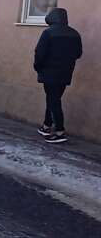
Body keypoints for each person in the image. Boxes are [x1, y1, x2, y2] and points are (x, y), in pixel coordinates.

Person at [34, 8, 82, 144]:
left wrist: (37, 67)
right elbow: (79, 53)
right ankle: (46, 126)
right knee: (54, 98)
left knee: (53, 100)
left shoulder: (48, 33)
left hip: (49, 72)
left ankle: (59, 131)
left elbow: (39, 53)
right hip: (66, 72)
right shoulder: (75, 34)